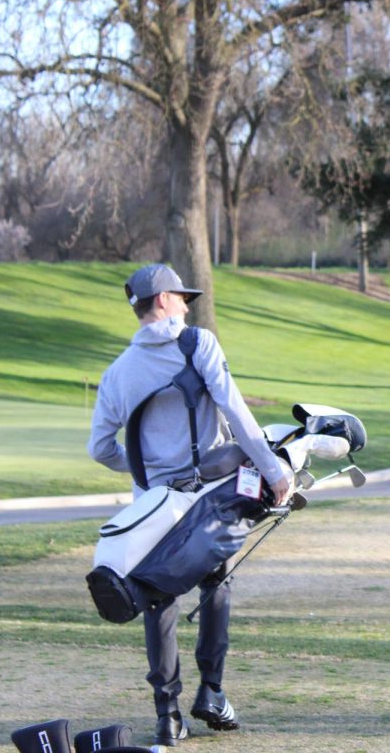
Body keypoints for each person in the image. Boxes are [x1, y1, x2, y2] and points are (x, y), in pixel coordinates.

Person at [87, 263, 290, 747]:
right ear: (161, 301)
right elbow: (236, 412)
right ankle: (213, 692)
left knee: (159, 600)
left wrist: (143, 472)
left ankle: (168, 715)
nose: (185, 303)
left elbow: (100, 448)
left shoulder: (117, 372)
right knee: (216, 582)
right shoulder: (197, 343)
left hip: (154, 505)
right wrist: (275, 470)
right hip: (207, 494)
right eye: (180, 296)